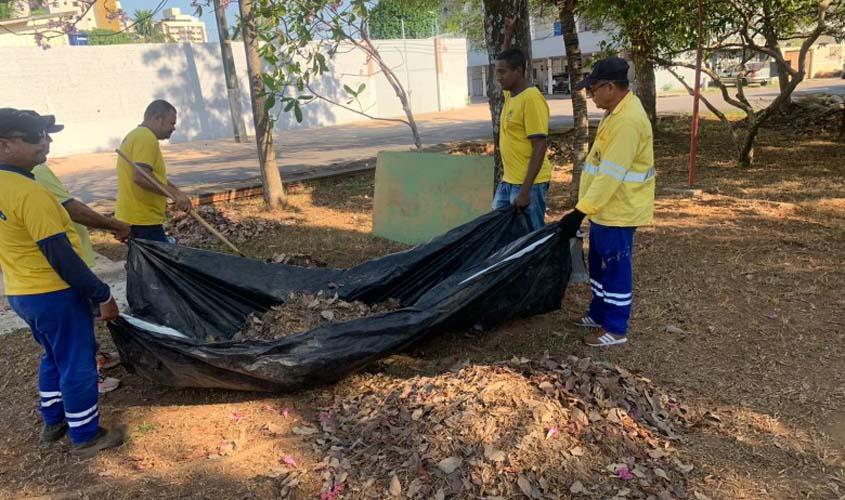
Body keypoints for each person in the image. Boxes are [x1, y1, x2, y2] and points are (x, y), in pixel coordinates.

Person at [0, 108, 125, 457]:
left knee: (53, 356)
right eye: (37, 137)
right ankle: (85, 434)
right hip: (54, 292)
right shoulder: (30, 192)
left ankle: (53, 421)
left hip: (22, 292)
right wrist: (102, 293)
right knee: (78, 361)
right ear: (5, 144)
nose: (47, 142)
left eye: (45, 135)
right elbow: (60, 255)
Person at [558, 57, 656, 348]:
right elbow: (599, 168)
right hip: (605, 209)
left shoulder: (627, 121)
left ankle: (615, 328)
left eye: (594, 89)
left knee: (614, 268)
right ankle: (598, 313)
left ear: (610, 87)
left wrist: (579, 212)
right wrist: (587, 208)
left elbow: (611, 176)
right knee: (600, 267)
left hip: (620, 210)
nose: (591, 95)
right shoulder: (616, 112)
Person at [32, 159, 129, 394]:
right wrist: (113, 224)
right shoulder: (34, 171)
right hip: (62, 270)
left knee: (64, 338)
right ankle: (90, 375)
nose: (47, 141)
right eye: (41, 134)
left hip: (37, 279)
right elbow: (71, 208)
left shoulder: (15, 177)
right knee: (76, 330)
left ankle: (95, 358)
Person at [492, 19, 553, 231]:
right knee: (498, 232)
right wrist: (507, 37)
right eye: (497, 72)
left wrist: (525, 191)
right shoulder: (512, 94)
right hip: (508, 181)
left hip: (529, 185)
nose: (498, 77)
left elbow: (539, 145)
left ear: (518, 72)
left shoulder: (531, 99)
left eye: (502, 72)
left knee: (531, 238)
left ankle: (539, 266)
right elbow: (505, 59)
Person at [115, 100, 192, 242]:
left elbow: (153, 175)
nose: (173, 128)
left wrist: (177, 193)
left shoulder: (136, 135)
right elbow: (141, 177)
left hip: (136, 217)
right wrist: (173, 194)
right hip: (142, 220)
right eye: (172, 123)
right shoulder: (146, 137)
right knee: (161, 263)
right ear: (158, 118)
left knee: (148, 262)